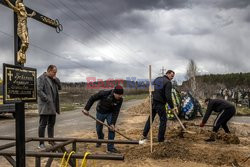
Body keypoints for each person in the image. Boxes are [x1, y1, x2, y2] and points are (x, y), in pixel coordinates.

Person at [83, 85, 123, 153]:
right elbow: (92, 98)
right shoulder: (104, 93)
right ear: (114, 93)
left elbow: (116, 112)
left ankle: (110, 147)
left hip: (110, 113)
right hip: (100, 112)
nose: (120, 96)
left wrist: (113, 123)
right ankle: (100, 138)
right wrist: (86, 109)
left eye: (121, 95)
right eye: (119, 95)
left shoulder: (120, 100)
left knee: (111, 129)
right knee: (98, 129)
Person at [142, 70, 175, 142]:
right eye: (172, 76)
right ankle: (161, 139)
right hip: (160, 103)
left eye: (173, 77)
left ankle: (144, 134)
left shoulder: (157, 79)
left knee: (150, 118)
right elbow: (168, 97)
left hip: (153, 102)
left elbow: (151, 88)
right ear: (168, 74)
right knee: (163, 120)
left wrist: (152, 95)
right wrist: (172, 107)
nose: (172, 78)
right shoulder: (168, 82)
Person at [37, 65, 61, 149]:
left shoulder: (54, 79)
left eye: (56, 72)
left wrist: (56, 79)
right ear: (49, 71)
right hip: (45, 106)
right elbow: (39, 91)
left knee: (51, 124)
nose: (55, 74)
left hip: (53, 106)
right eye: (54, 72)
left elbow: (60, 87)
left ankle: (51, 141)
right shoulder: (41, 78)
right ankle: (41, 143)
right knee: (42, 125)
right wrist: (47, 99)